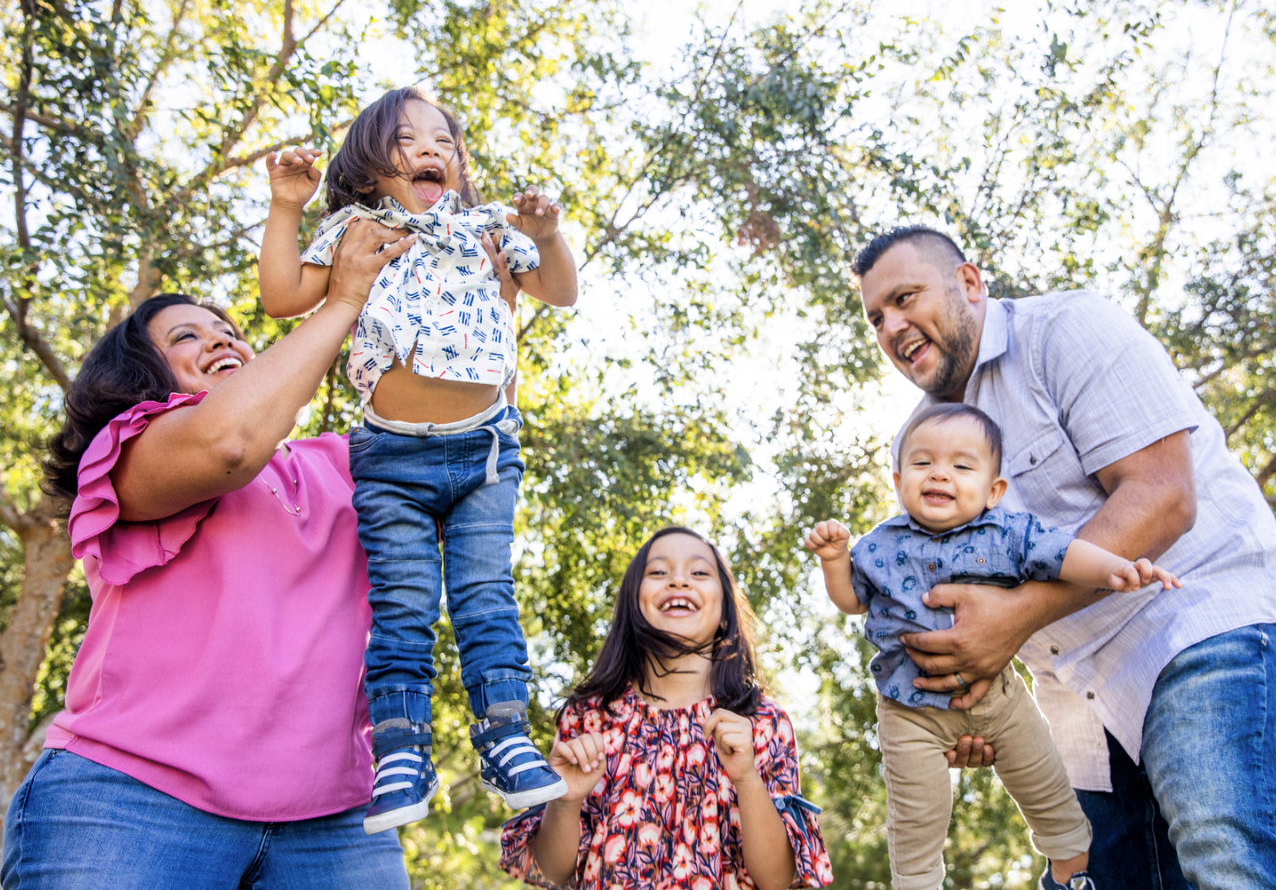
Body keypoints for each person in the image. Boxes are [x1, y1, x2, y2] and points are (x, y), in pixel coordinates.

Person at [852, 224, 1276, 890]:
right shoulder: (916, 441)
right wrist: (961, 705)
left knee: (1234, 861)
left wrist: (1015, 619)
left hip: (1188, 621)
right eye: (877, 318)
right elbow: (954, 601)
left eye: (905, 298)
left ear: (969, 282)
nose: (892, 326)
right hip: (1073, 693)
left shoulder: (1065, 331)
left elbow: (1163, 496)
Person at [4, 218, 424, 889]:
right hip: (129, 802)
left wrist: (487, 298)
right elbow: (228, 443)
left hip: (334, 825)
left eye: (227, 330)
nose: (221, 338)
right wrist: (343, 300)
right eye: (186, 336)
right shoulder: (128, 450)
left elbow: (463, 456)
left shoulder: (339, 464)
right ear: (142, 372)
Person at [258, 87, 579, 833]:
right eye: (406, 140)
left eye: (443, 140)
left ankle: (505, 735)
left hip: (484, 449)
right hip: (390, 459)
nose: (431, 148)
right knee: (401, 609)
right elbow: (281, 296)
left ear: (459, 164)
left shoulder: (488, 226)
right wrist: (284, 207)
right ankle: (400, 751)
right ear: (370, 165)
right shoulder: (356, 231)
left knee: (485, 596)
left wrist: (547, 234)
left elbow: (559, 292)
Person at [806, 402, 1180, 890]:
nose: (940, 473)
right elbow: (852, 600)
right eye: (923, 462)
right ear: (898, 482)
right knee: (916, 818)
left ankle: (1072, 866)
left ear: (993, 491)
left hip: (999, 701)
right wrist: (834, 560)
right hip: (908, 712)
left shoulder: (1008, 533)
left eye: (962, 466)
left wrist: (1116, 568)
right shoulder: (880, 545)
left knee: (1046, 785)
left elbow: (1064, 554)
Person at [497, 527, 834, 890]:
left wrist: (748, 779)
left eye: (699, 572)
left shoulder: (763, 722)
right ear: (633, 604)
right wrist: (565, 802)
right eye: (658, 572)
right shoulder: (587, 718)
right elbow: (549, 873)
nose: (678, 581)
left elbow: (778, 881)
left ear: (725, 612)